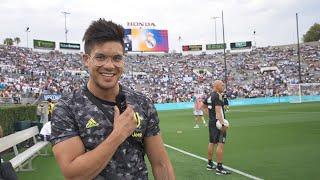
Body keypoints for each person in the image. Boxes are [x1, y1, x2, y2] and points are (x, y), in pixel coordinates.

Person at [51, 19, 175, 180]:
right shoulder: (67, 108)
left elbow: (161, 164)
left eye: (117, 58)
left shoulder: (142, 103)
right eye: (100, 57)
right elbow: (74, 175)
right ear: (86, 60)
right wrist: (118, 134)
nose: (109, 65)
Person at [202, 80, 231, 175]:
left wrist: (211, 117)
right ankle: (219, 167)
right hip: (218, 123)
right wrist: (222, 124)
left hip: (212, 122)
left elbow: (203, 106)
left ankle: (209, 164)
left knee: (211, 142)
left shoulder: (210, 95)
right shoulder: (218, 95)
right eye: (222, 85)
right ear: (217, 85)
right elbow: (218, 111)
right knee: (220, 143)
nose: (223, 86)